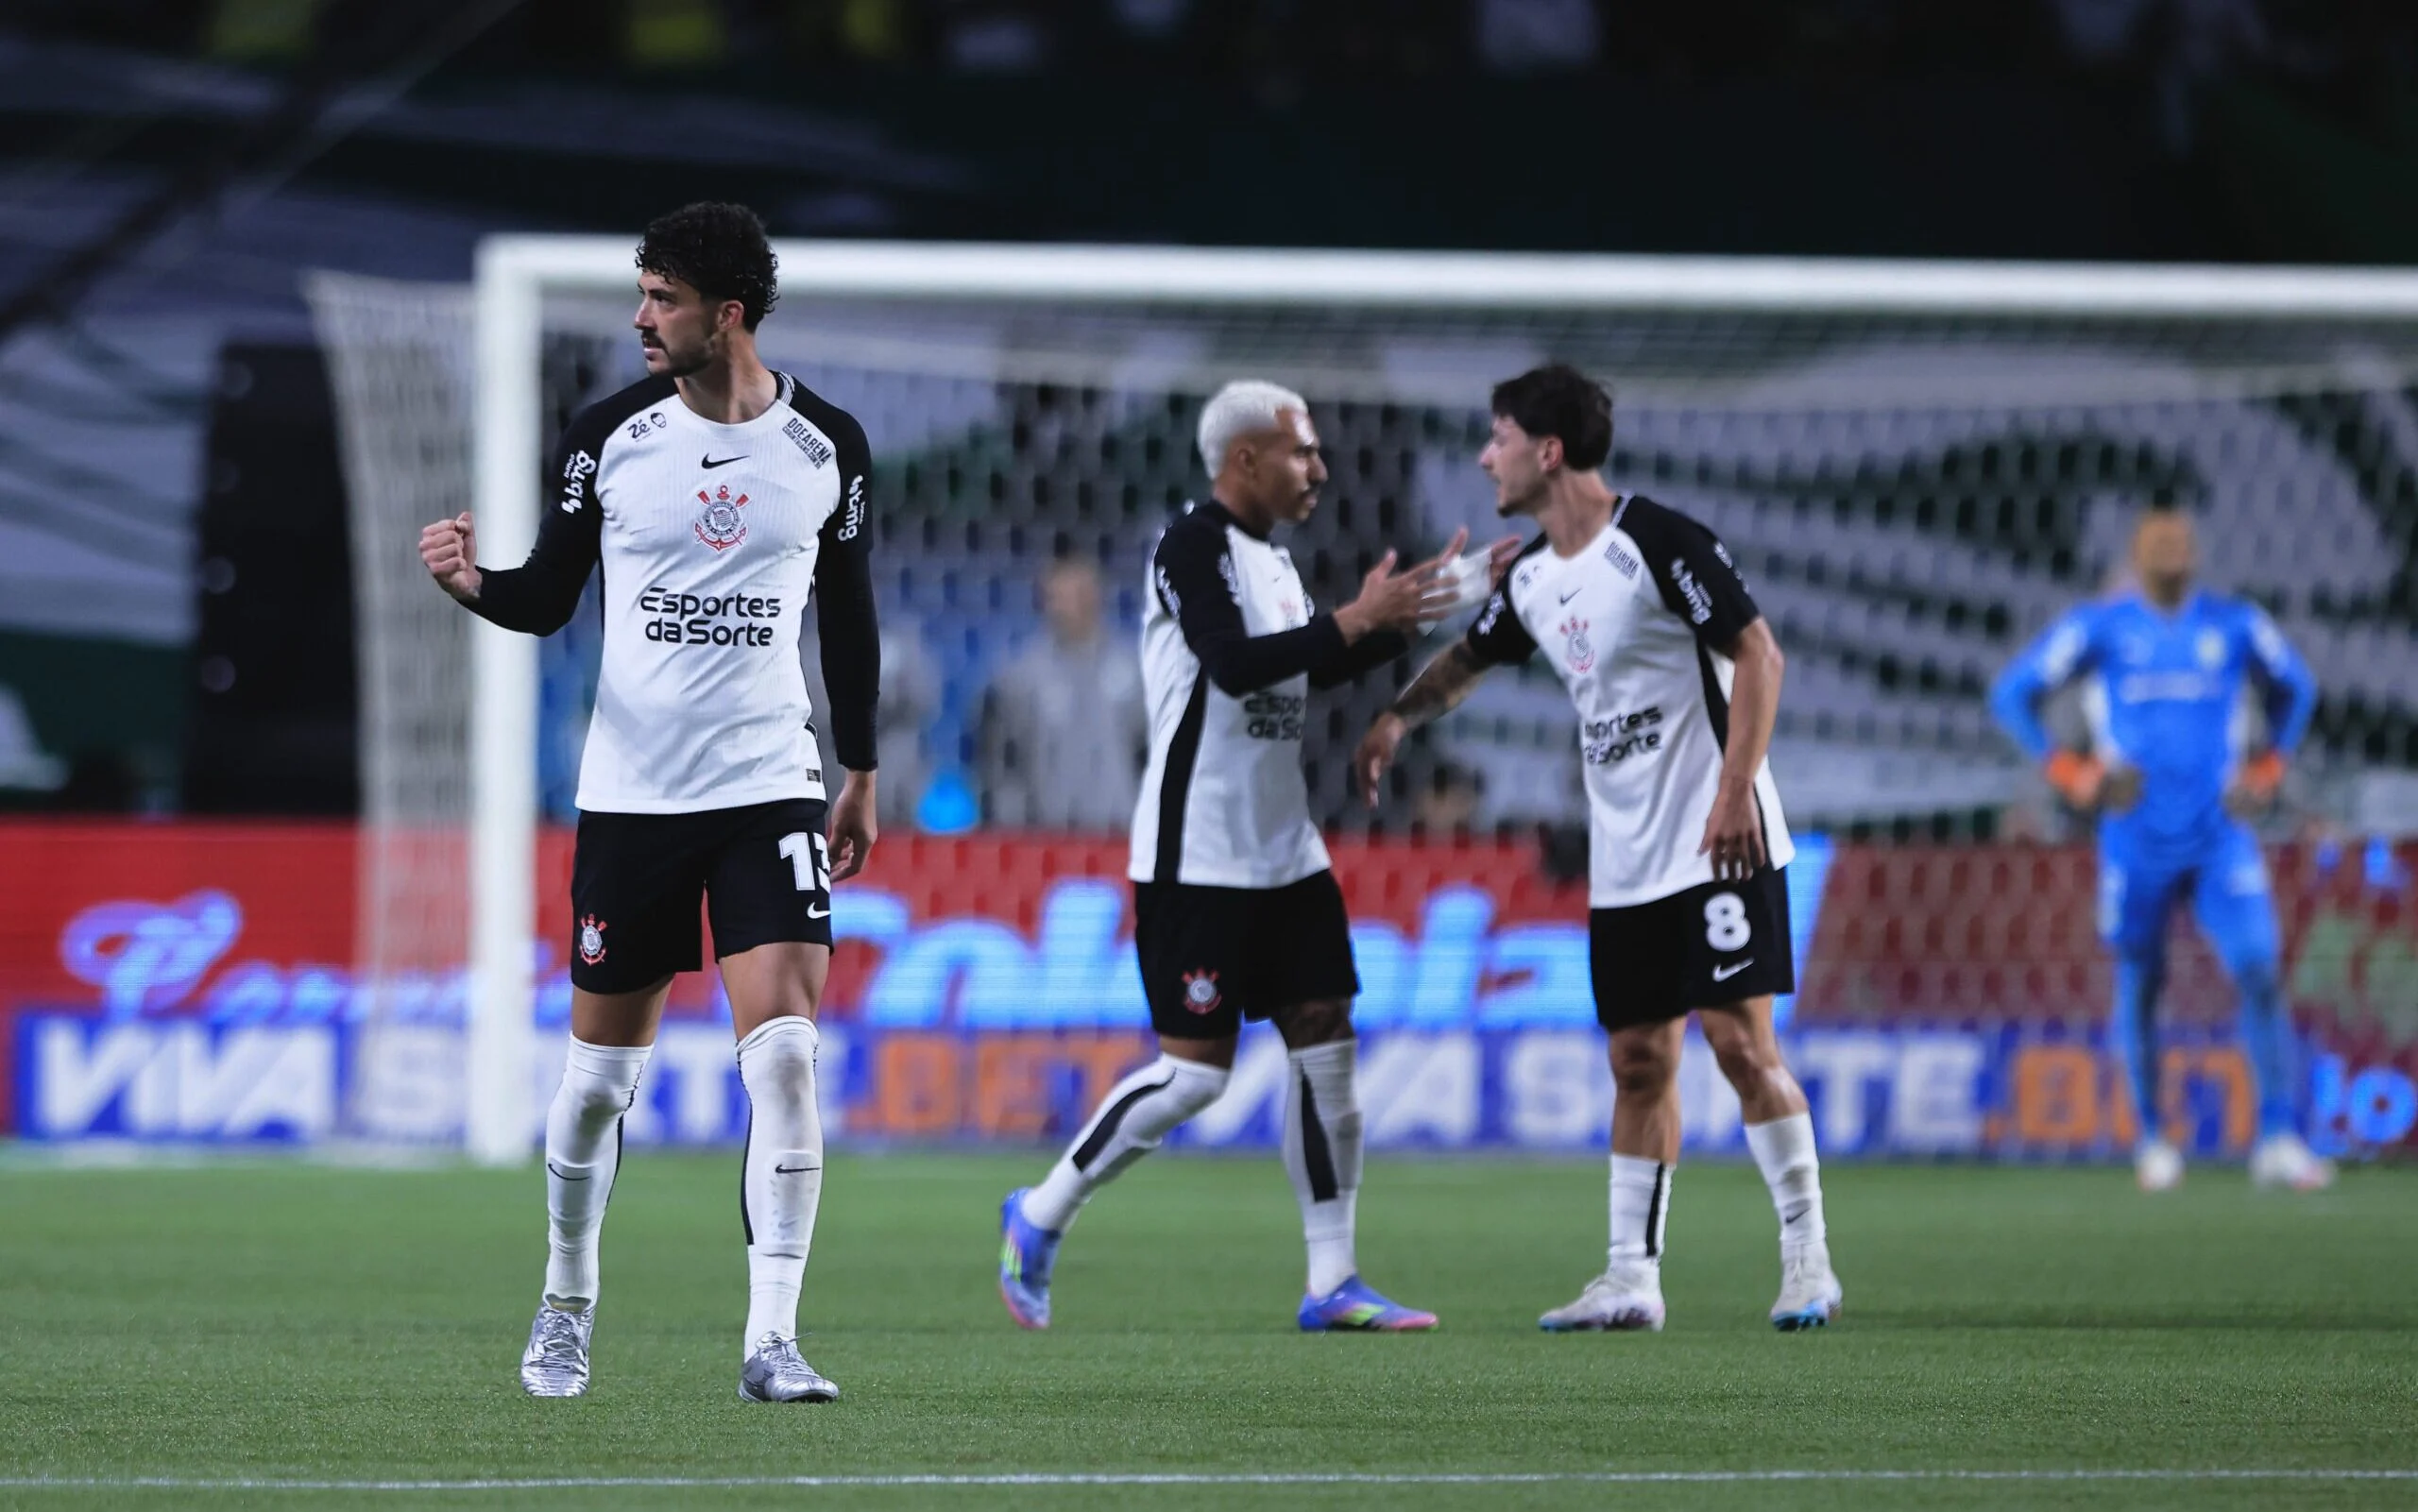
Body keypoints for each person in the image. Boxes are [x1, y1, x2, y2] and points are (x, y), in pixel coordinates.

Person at [418, 202, 878, 1403]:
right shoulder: (606, 437)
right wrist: (475, 586)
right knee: (595, 1088)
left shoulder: (828, 446)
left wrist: (862, 766)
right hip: (632, 800)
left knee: (785, 1058)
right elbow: (545, 600)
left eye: (660, 297)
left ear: (724, 314)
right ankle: (567, 1296)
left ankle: (771, 1337)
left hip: (768, 786)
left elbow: (853, 613)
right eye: (639, 293)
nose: (638, 317)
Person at [996, 379, 1510, 1332]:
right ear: (1244, 459)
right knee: (1195, 1074)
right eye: (1301, 450)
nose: (1318, 466)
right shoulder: (1188, 547)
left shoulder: (1275, 563)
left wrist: (1443, 599)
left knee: (1328, 1051)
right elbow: (1233, 664)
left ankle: (1332, 1280)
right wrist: (1354, 620)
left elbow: (1318, 662)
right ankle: (1036, 1211)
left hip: (1286, 850)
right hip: (1197, 853)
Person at [1355, 364, 1841, 1334]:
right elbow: (1469, 658)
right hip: (1625, 865)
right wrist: (1396, 721)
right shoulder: (1532, 575)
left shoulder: (1658, 541)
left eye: (1495, 436)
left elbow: (1759, 654)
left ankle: (1806, 1261)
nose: (1482, 455)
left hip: (1719, 843)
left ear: (1547, 449)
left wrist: (1736, 786)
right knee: (1634, 1061)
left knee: (1742, 1046)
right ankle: (1629, 1277)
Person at [1989, 507, 2328, 1192]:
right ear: (2136, 555)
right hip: (2135, 836)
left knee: (2259, 966)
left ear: (2197, 554)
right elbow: (2012, 693)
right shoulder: (2100, 627)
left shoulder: (2234, 624)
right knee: (2142, 984)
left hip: (2219, 834)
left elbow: (2299, 687)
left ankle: (2279, 1136)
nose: (2172, 548)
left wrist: (2268, 770)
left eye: (2182, 539)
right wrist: (2071, 773)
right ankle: (2152, 1137)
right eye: (2158, 540)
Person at [979, 556, 1148, 830]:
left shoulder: (1135, 669)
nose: (1064, 607)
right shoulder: (1022, 676)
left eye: (1075, 595)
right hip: (1048, 832)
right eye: (1055, 597)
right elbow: (1006, 764)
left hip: (1122, 831)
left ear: (1094, 596)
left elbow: (1152, 754)